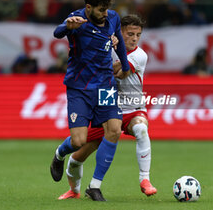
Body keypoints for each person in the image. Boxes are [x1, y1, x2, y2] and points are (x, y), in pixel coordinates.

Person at [55, 14, 157, 200]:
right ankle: (74, 190)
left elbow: (119, 71)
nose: (134, 38)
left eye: (138, 34)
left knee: (141, 128)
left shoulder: (140, 55)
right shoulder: (106, 48)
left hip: (133, 108)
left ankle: (145, 179)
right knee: (78, 156)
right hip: (107, 105)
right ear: (120, 32)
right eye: (130, 34)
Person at [50, 0, 131, 201]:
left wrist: (125, 65)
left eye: (107, 9)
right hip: (80, 88)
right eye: (101, 10)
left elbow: (119, 41)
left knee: (114, 130)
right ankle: (59, 154)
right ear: (88, 7)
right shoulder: (77, 20)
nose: (106, 14)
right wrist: (66, 26)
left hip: (105, 85)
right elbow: (57, 32)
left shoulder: (112, 17)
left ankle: (95, 185)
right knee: (78, 141)